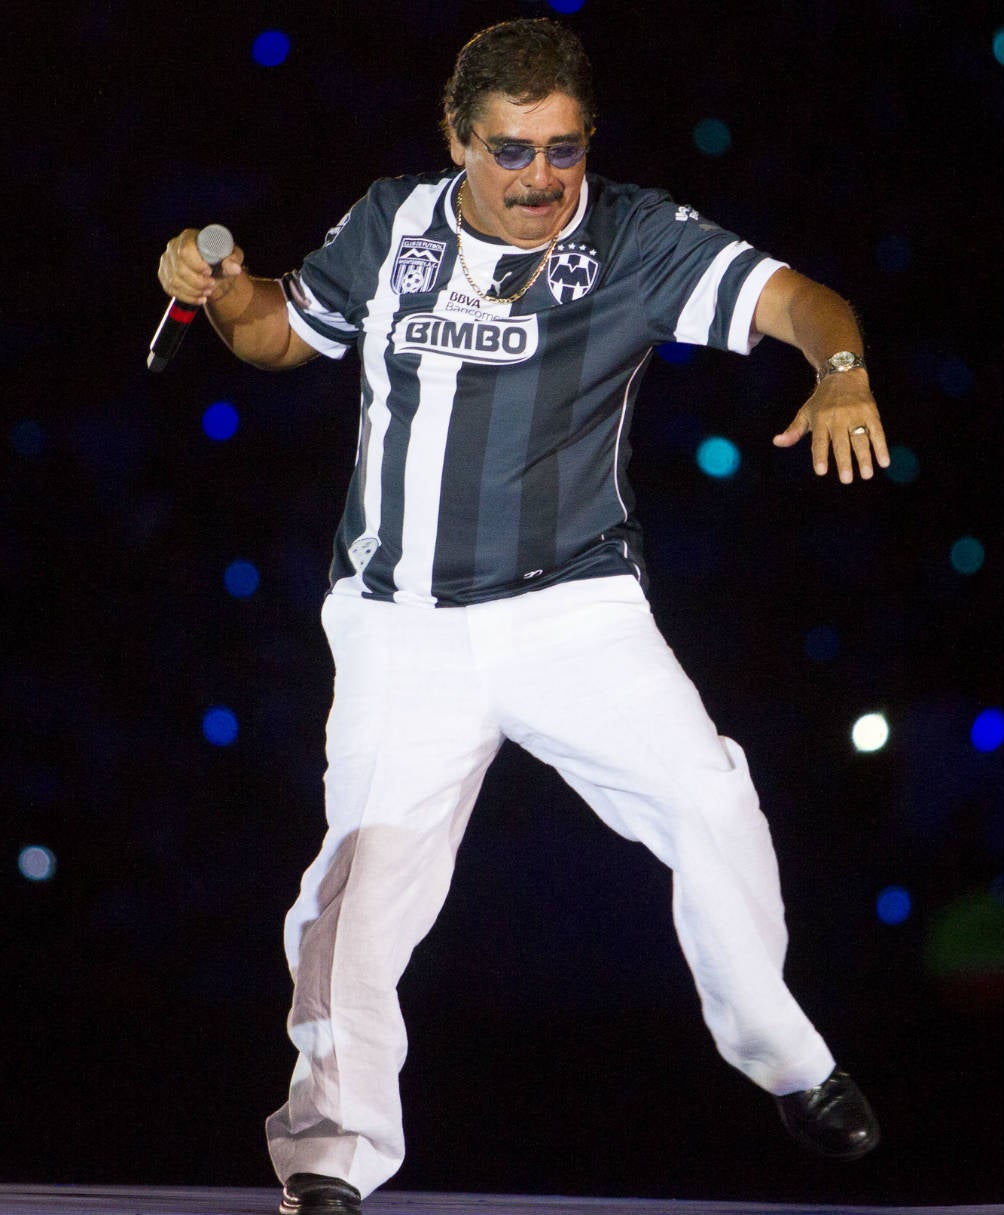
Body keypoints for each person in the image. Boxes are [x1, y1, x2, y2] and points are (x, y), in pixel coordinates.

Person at [157, 18, 887, 1215]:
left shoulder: (637, 236)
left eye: (560, 150)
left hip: (571, 614)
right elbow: (280, 338)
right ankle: (332, 1164)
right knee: (359, 886)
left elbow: (803, 300)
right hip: (403, 626)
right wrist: (227, 286)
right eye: (509, 152)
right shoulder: (390, 222)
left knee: (708, 799)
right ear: (457, 142)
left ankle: (787, 1060)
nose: (539, 178)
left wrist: (840, 371)